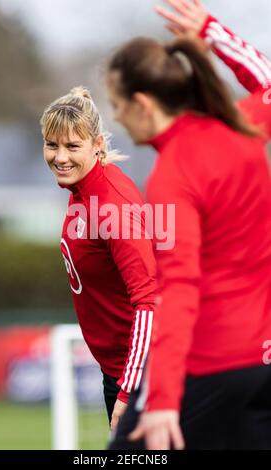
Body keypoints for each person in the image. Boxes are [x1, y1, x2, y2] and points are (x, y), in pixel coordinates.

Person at [106, 0, 271, 450]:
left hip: (208, 366)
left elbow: (178, 288)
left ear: (143, 103)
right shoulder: (242, 127)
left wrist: (162, 399)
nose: (116, 117)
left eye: (118, 105)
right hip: (260, 364)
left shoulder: (174, 175)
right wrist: (213, 31)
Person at [40, 87, 157, 430]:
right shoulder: (81, 188)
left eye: (72, 146)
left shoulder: (112, 207)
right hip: (121, 372)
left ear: (98, 145)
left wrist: (128, 390)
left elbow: (149, 300)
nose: (60, 157)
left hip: (143, 376)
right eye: (52, 145)